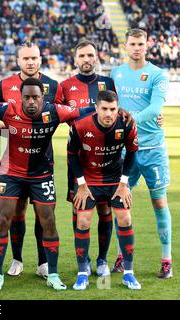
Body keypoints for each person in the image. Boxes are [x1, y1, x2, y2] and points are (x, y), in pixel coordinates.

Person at [0, 78, 97, 291]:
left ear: (42, 98)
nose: (31, 101)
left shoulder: (55, 111)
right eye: (26, 97)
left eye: (35, 97)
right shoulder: (8, 109)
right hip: (11, 174)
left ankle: (52, 274)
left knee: (49, 221)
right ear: (20, 97)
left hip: (41, 175)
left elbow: (82, 111)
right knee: (4, 220)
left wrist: (109, 107)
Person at [0, 41, 63, 278]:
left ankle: (44, 263)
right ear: (18, 60)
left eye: (34, 58)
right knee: (16, 212)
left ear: (41, 59)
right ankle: (17, 259)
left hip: (44, 161)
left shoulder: (54, 86)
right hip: (13, 161)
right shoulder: (3, 85)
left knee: (44, 213)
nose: (30, 62)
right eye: (26, 59)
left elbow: (66, 115)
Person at [110, 28, 172, 278]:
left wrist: (128, 119)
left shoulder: (158, 74)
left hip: (153, 148)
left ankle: (166, 260)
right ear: (125, 46)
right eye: (132, 43)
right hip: (126, 150)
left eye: (141, 43)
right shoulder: (116, 73)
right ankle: (120, 256)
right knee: (120, 203)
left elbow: (155, 107)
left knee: (159, 202)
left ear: (147, 45)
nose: (137, 47)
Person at [68, 90, 141, 290]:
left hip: (115, 180)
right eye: (105, 109)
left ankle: (128, 273)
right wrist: (81, 184)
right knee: (82, 220)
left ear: (118, 109)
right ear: (96, 108)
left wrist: (124, 183)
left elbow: (132, 153)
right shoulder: (81, 126)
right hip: (89, 179)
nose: (109, 114)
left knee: (125, 218)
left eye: (113, 109)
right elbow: (72, 155)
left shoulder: (126, 124)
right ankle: (83, 272)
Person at [61, 40, 117, 277]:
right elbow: (58, 114)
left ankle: (102, 259)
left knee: (105, 210)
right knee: (80, 210)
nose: (86, 59)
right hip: (78, 158)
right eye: (82, 55)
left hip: (106, 160)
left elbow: (118, 113)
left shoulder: (108, 83)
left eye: (90, 55)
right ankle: (82, 262)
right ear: (75, 59)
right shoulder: (65, 86)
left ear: (96, 57)